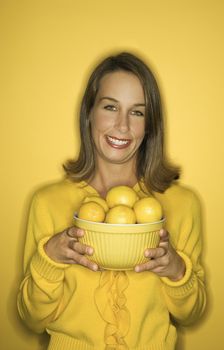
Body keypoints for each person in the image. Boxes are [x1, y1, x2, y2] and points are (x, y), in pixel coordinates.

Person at [17, 52, 206, 350]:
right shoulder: (48, 202)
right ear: (89, 113)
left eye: (137, 112)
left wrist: (176, 270)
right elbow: (31, 319)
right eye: (110, 107)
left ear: (150, 124)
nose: (122, 126)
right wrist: (49, 259)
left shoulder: (182, 204)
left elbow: (191, 314)